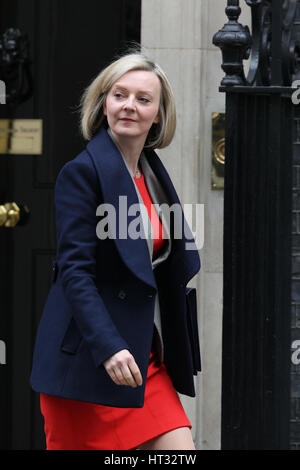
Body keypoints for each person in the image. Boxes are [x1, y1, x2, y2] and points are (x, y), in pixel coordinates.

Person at [30, 50, 201, 450]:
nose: (129, 106)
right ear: (103, 102)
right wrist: (108, 346)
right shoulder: (83, 173)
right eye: (119, 94)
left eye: (143, 99)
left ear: (158, 114)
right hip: (89, 356)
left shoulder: (153, 173)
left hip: (142, 358)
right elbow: (75, 272)